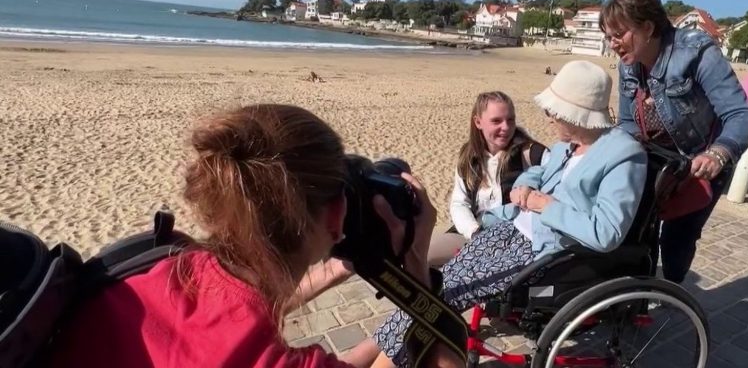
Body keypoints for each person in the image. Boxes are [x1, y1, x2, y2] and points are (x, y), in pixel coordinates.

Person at [50, 104, 462, 368]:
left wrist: (343, 264)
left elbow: (238, 307)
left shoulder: (162, 263)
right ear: (336, 215)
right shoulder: (264, 358)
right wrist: (414, 265)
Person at [368, 60, 648, 367]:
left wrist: (544, 205)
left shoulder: (622, 154)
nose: (548, 116)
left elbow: (606, 232)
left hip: (541, 253)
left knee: (441, 299)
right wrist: (524, 188)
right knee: (435, 286)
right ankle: (370, 354)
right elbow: (539, 171)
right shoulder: (568, 146)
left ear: (576, 113)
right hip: (509, 230)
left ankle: (376, 359)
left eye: (554, 110)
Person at [599, 0, 748, 283]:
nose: (613, 44)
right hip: (656, 158)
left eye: (619, 34)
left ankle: (672, 291)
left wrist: (718, 153)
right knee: (634, 228)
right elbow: (627, 123)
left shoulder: (696, 52)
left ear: (647, 26)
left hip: (699, 163)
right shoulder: (629, 65)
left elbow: (741, 114)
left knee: (676, 239)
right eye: (609, 37)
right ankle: (637, 297)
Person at [428, 91, 547, 266]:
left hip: (516, 242)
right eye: (496, 121)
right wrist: (475, 233)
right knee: (426, 257)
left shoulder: (532, 154)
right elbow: (459, 203)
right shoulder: (468, 157)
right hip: (474, 233)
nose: (506, 127)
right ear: (478, 122)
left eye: (510, 120)